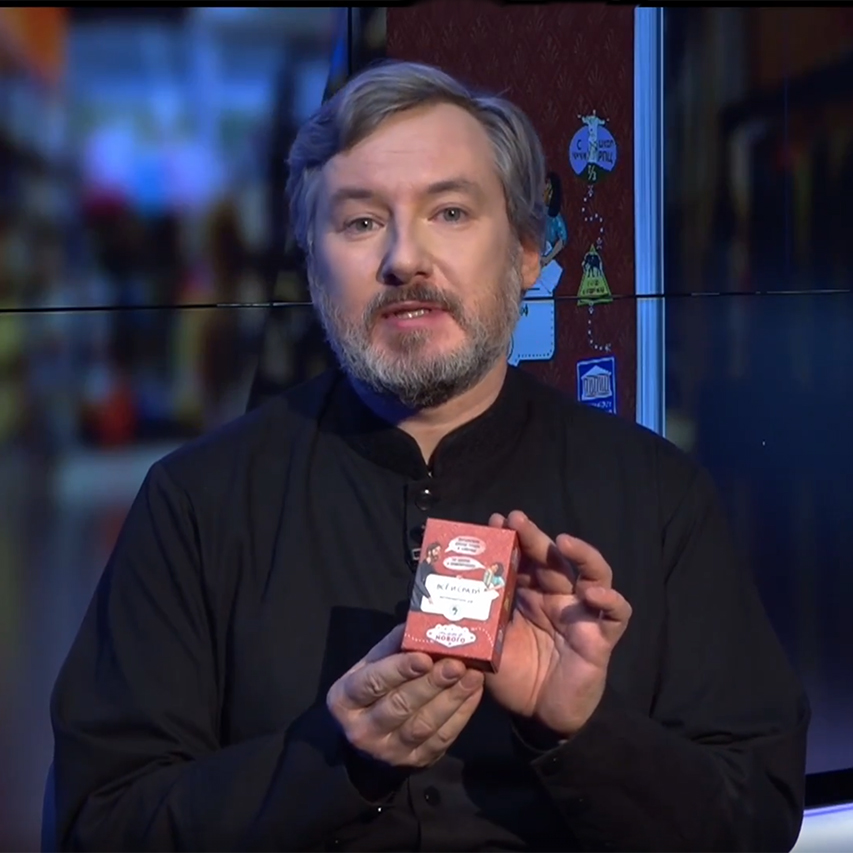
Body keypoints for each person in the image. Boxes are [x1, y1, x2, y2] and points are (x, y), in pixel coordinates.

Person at [49, 60, 809, 852]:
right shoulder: (196, 502)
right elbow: (96, 823)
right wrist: (331, 757)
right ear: (311, 265)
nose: (404, 258)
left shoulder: (657, 496)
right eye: (359, 222)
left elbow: (754, 814)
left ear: (526, 252)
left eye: (449, 211)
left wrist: (582, 729)